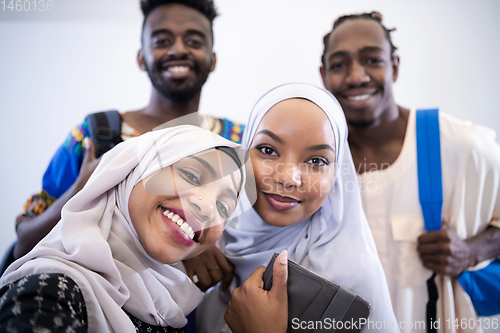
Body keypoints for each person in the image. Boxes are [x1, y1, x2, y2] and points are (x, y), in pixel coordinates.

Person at [12, 0, 245, 261]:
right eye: (161, 41)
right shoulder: (93, 135)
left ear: (212, 60)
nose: (178, 50)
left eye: (193, 41)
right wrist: (82, 190)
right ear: (141, 58)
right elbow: (24, 247)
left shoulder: (238, 141)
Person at [319, 11, 500, 332]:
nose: (356, 76)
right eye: (339, 64)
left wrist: (470, 251)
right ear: (323, 75)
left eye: (372, 60)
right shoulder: (317, 159)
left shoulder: (461, 144)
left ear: (395, 66)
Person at [193, 83, 399, 332]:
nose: (288, 178)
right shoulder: (209, 238)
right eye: (268, 150)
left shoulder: (349, 276)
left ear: (336, 177)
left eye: (316, 161)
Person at [0, 125, 245, 332]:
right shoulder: (49, 294)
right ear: (132, 171)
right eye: (191, 175)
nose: (208, 208)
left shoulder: (172, 309)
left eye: (224, 207)